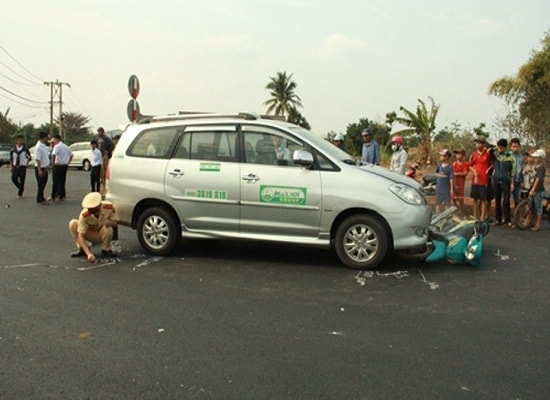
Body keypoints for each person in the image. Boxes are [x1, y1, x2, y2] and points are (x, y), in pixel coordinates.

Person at [68, 192, 118, 262]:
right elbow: (81, 235)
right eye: (91, 212)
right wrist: (89, 254)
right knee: (73, 224)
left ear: (100, 205)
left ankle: (106, 249)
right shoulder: (84, 214)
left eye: (96, 211)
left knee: (108, 229)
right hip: (90, 233)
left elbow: (115, 223)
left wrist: (110, 223)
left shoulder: (108, 207)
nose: (94, 214)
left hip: (102, 233)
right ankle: (82, 249)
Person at [490, 138, 516, 226]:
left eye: (501, 148)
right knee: (497, 200)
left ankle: (507, 219)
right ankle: (498, 219)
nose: (499, 150)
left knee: (506, 201)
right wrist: (494, 148)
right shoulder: (495, 155)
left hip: (506, 181)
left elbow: (513, 172)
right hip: (496, 180)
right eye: (498, 148)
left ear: (505, 148)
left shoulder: (510, 157)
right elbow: (489, 150)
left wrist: (512, 183)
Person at [469, 136, 493, 220]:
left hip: (484, 180)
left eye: (479, 143)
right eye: (476, 143)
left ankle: (482, 217)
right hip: (475, 180)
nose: (477, 145)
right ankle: (475, 216)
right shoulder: (473, 154)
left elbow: (492, 163)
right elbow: (470, 166)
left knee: (483, 199)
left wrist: (487, 170)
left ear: (483, 144)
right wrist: (474, 171)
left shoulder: (488, 154)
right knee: (475, 199)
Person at [49, 134, 73, 201]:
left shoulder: (57, 146)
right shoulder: (66, 146)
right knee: (62, 181)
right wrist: (68, 162)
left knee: (55, 181)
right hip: (64, 165)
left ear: (57, 139)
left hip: (57, 165)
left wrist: (53, 163)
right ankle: (61, 195)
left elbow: (53, 155)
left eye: (54, 140)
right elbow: (71, 155)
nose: (54, 141)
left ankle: (53, 195)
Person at [529, 149, 546, 232]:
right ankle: (530, 221)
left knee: (538, 207)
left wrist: (533, 189)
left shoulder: (541, 168)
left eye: (536, 157)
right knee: (531, 206)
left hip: (538, 190)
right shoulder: (536, 167)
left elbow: (538, 180)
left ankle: (538, 224)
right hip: (534, 189)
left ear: (540, 158)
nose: (535, 159)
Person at [34, 131, 51, 205]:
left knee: (43, 183)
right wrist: (39, 170)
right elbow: (38, 159)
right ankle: (40, 199)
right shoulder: (38, 147)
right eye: (46, 137)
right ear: (44, 137)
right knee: (41, 184)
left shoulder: (43, 146)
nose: (47, 139)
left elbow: (45, 158)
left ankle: (41, 197)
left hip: (45, 167)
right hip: (40, 168)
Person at [96, 127, 114, 196]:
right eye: (98, 131)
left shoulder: (106, 138)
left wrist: (108, 151)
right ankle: (101, 180)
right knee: (100, 168)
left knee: (105, 168)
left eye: (100, 131)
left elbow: (112, 145)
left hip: (104, 155)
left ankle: (105, 181)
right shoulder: (97, 138)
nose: (99, 132)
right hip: (99, 155)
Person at [452, 149, 469, 215]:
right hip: (454, 183)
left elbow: (465, 173)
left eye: (459, 154)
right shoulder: (454, 164)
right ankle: (453, 215)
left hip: (461, 184)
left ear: (463, 155)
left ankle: (463, 214)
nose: (458, 156)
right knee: (454, 200)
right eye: (457, 154)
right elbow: (452, 175)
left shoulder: (465, 164)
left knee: (461, 200)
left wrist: (456, 173)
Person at [509, 138, 523, 208]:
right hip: (508, 181)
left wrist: (522, 180)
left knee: (517, 200)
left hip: (518, 181)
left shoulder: (521, 157)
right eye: (513, 146)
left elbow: (522, 169)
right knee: (506, 200)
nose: (515, 148)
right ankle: (505, 217)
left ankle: (517, 216)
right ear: (510, 147)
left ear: (519, 147)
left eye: (516, 146)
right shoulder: (507, 155)